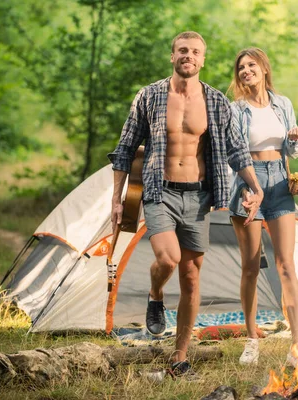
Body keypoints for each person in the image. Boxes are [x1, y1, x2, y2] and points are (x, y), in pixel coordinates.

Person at [108, 32, 263, 379]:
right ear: (172, 55)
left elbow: (237, 150)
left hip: (199, 196)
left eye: (195, 52)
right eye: (182, 50)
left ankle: (179, 358)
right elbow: (124, 149)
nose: (188, 56)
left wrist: (256, 187)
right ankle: (155, 292)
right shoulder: (149, 96)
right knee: (168, 257)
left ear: (203, 59)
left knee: (191, 278)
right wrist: (116, 200)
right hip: (158, 190)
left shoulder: (216, 101)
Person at [227, 47, 298, 372]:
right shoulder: (235, 109)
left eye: (251, 65)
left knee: (286, 265)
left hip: (279, 181)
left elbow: (293, 150)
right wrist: (252, 187)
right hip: (248, 183)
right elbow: (233, 153)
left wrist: (293, 139)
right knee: (251, 267)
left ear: (264, 68)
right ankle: (252, 339)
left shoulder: (284, 104)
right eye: (241, 67)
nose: (246, 70)